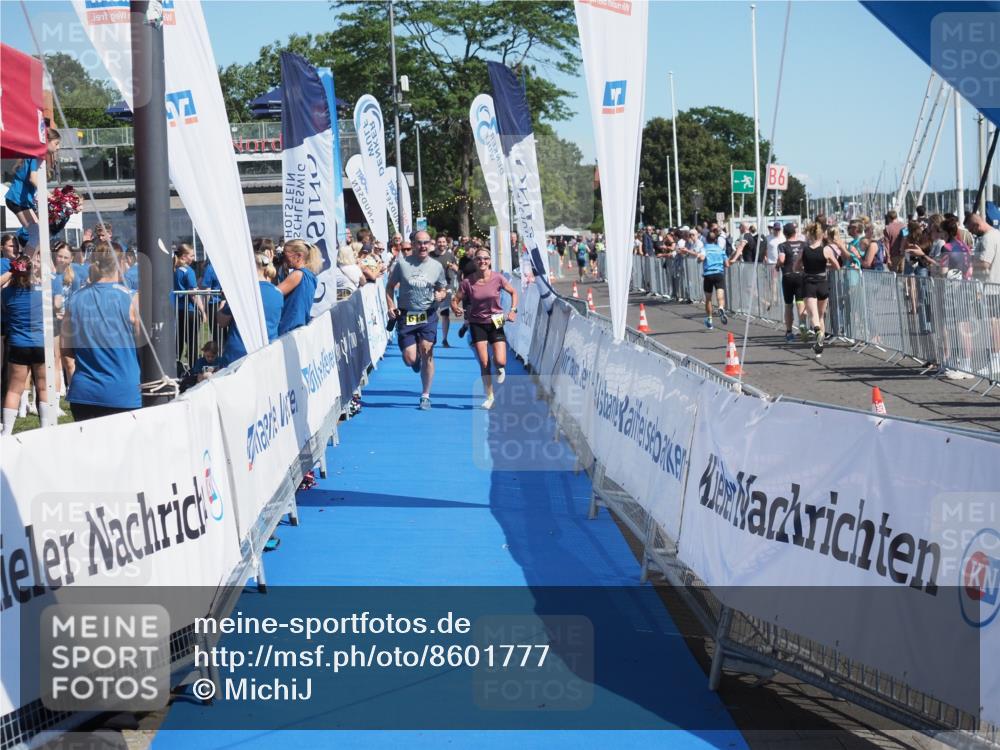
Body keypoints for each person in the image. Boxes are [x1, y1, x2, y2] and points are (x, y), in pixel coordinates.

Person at [61, 243, 142, 421]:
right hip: (124, 393)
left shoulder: (75, 299)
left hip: (84, 394)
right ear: (121, 264)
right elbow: (146, 348)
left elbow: (66, 350)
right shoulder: (132, 297)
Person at [385, 230, 448, 410]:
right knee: (409, 359)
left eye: (426, 243)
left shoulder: (436, 266)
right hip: (407, 315)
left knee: (427, 350)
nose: (422, 246)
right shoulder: (402, 265)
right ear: (413, 244)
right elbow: (389, 287)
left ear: (430, 245)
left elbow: (443, 288)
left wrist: (440, 295)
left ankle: (425, 395)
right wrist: (391, 306)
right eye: (419, 243)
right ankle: (416, 359)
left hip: (428, 314)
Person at [1, 248, 60, 433]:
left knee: (13, 390)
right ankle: (45, 430)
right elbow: (52, 274)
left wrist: (11, 271)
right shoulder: (44, 291)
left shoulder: (7, 294)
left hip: (18, 343)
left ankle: (7, 431)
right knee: (43, 388)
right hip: (41, 344)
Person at [451, 248, 519, 409]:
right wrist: (455, 308)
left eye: (486, 259)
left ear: (490, 261)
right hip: (476, 323)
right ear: (474, 261)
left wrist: (513, 310)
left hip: (496, 321)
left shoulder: (498, 278)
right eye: (479, 259)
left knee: (500, 361)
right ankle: (489, 397)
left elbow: (513, 292)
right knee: (483, 362)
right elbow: (455, 299)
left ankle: (500, 367)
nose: (482, 261)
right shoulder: (467, 282)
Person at [218, 251, 284, 364]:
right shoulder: (278, 292)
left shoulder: (242, 292)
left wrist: (225, 300)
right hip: (268, 349)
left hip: (240, 352)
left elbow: (222, 321)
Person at [796, 223, 841, 356]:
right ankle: (819, 347)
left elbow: (795, 267)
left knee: (813, 315)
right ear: (822, 236)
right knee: (821, 316)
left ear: (810, 235)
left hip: (809, 283)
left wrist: (804, 269)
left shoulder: (804, 250)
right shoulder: (826, 250)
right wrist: (825, 265)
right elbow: (837, 266)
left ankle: (817, 332)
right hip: (822, 283)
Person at [4, 128, 61, 230]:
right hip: (17, 199)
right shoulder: (34, 157)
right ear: (47, 141)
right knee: (35, 232)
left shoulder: (37, 157)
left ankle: (21, 242)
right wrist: (49, 195)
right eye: (56, 143)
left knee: (38, 231)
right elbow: (33, 179)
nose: (58, 147)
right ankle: (17, 242)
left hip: (22, 200)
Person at [276, 239, 317, 335]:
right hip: (299, 324)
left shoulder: (297, 274)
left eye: (285, 255)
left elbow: (274, 294)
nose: (283, 259)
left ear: (298, 256)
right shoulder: (310, 275)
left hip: (289, 326)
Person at [51, 242, 76, 397]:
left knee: (70, 360)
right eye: (59, 256)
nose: (61, 259)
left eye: (65, 257)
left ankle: (74, 391)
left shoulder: (74, 275)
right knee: (55, 359)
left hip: (69, 321)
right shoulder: (50, 275)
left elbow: (78, 298)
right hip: (53, 321)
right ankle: (56, 394)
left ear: (71, 259)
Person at [777, 222, 808, 342]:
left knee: (789, 305)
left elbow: (781, 259)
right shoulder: (803, 244)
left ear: (784, 233)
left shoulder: (782, 245)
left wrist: (777, 265)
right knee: (800, 302)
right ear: (795, 233)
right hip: (800, 275)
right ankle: (802, 326)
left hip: (788, 275)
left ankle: (789, 332)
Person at [430, 235, 460, 346]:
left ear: (446, 244)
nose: (442, 244)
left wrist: (455, 269)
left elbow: (456, 272)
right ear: (436, 243)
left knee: (445, 314)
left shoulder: (450, 256)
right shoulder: (430, 256)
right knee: (431, 314)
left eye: (443, 242)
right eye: (439, 242)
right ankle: (431, 336)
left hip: (446, 288)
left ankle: (445, 339)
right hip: (433, 289)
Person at [697, 230, 729, 329]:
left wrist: (699, 259)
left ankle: (710, 318)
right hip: (719, 273)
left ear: (706, 239)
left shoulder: (704, 248)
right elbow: (727, 264)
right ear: (715, 240)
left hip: (708, 274)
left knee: (708, 298)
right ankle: (721, 308)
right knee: (720, 295)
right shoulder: (720, 249)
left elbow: (701, 258)